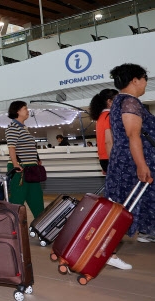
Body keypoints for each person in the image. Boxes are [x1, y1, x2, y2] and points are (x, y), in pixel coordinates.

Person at [106, 63, 155, 245]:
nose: (145, 84)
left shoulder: (120, 101)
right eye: (144, 79)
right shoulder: (130, 102)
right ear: (135, 80)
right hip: (132, 161)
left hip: (124, 159)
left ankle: (145, 231)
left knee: (126, 199)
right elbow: (133, 135)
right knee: (130, 199)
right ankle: (107, 243)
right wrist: (141, 165)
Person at [89, 87, 132, 270]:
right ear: (109, 101)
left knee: (116, 204)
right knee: (118, 206)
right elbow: (109, 141)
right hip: (112, 160)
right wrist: (117, 164)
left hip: (105, 160)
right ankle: (108, 250)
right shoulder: (108, 117)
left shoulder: (100, 117)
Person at [5, 101, 44, 218]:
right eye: (25, 108)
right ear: (17, 111)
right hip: (20, 169)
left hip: (31, 168)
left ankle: (41, 226)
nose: (27, 111)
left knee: (36, 197)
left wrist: (37, 159)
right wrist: (16, 164)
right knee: (17, 200)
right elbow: (11, 147)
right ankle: (13, 228)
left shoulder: (24, 128)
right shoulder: (13, 127)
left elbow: (28, 146)